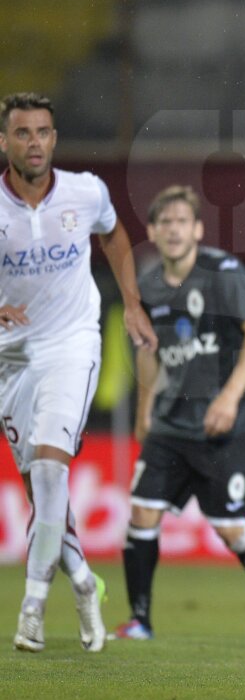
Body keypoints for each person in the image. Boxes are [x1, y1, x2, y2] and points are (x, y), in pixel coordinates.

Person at [0, 92, 157, 653]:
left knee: (48, 469)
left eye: (43, 132)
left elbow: (113, 235)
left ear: (54, 139)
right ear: (5, 142)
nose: (34, 143)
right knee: (43, 492)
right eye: (22, 133)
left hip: (71, 343)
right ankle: (86, 583)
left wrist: (132, 302)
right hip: (11, 358)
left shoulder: (85, 191)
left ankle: (32, 609)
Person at [111, 184, 245, 642]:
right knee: (141, 514)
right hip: (171, 425)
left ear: (197, 229)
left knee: (230, 528)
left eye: (181, 221)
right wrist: (143, 413)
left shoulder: (222, 272)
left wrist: (229, 397)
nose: (173, 230)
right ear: (152, 230)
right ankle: (140, 620)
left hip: (225, 426)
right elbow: (149, 354)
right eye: (164, 222)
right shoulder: (148, 285)